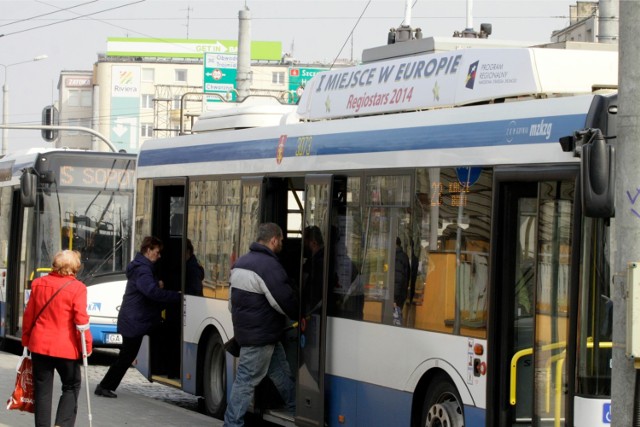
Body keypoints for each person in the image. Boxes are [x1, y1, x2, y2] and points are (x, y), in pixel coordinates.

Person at [224, 223, 298, 427]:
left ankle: (297, 409)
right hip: (262, 337)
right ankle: (231, 424)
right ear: (273, 240)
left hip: (254, 335)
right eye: (282, 240)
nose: (282, 243)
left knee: (281, 373)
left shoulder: (240, 263)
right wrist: (299, 314)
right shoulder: (268, 266)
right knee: (245, 383)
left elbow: (231, 304)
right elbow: (283, 301)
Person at [95, 236, 180, 398]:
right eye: (157, 252)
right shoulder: (143, 269)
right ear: (148, 251)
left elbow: (148, 290)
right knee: (127, 356)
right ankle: (104, 386)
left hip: (137, 319)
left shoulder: (142, 267)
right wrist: (176, 296)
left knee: (159, 336)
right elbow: (151, 292)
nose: (159, 255)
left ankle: (167, 367)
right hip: (135, 321)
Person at [22, 250, 93, 427]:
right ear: (75, 268)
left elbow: (29, 315)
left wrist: (26, 340)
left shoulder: (38, 284)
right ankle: (62, 424)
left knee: (42, 391)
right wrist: (87, 346)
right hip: (66, 348)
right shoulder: (78, 288)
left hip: (40, 346)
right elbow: (81, 322)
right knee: (71, 386)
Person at [393, 237, 410, 326]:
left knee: (395, 321)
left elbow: (398, 279)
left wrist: (394, 298)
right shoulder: (404, 256)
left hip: (396, 296)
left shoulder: (396, 257)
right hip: (401, 293)